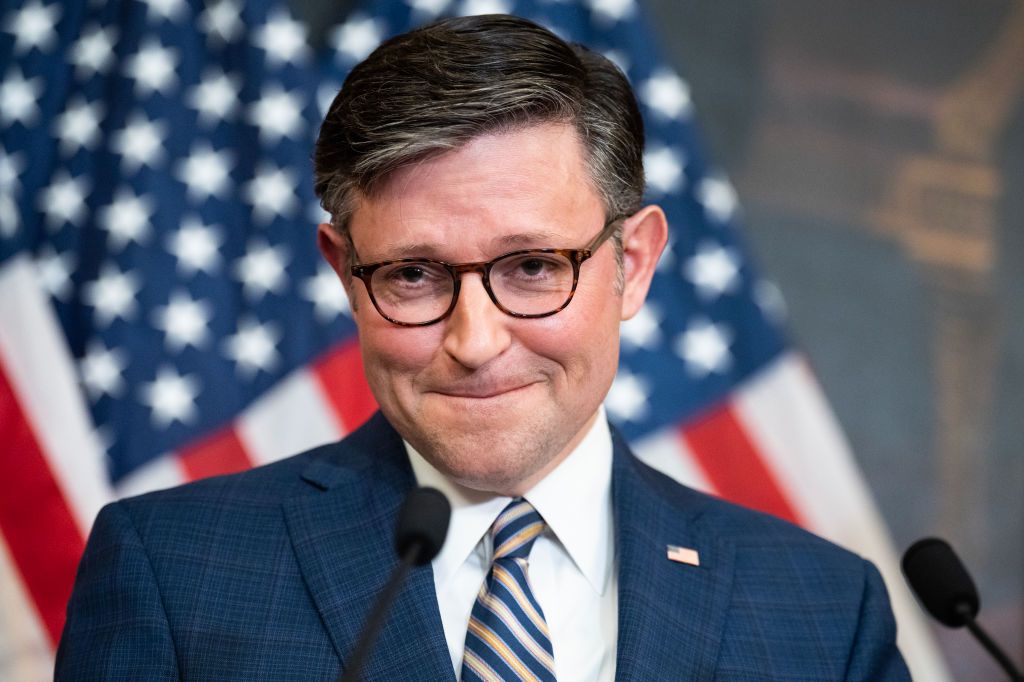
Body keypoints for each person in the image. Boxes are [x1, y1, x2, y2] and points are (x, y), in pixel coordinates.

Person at [57, 14, 910, 681]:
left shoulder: (823, 611)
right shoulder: (173, 574)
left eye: (534, 266)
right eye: (415, 275)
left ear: (634, 264)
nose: (473, 341)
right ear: (345, 272)